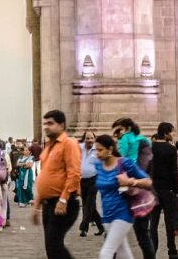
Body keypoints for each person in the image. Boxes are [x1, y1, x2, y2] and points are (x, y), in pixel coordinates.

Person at [92, 133, 152, 259]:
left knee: (106, 252)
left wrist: (131, 182)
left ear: (110, 149)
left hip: (123, 213)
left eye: (100, 150)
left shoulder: (125, 163)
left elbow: (149, 182)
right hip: (107, 215)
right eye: (95, 150)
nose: (97, 153)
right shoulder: (98, 166)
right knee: (122, 252)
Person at [32, 109, 81, 259]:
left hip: (63, 203)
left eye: (50, 123)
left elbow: (74, 173)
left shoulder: (69, 144)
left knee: (54, 245)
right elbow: (45, 176)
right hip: (49, 204)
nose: (46, 126)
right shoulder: (48, 147)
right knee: (51, 248)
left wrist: (63, 199)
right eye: (45, 123)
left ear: (62, 125)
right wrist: (37, 206)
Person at [144, 122, 178, 259]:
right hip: (167, 190)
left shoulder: (149, 148)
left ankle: (152, 252)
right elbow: (174, 172)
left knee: (153, 223)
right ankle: (172, 252)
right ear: (166, 133)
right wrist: (176, 190)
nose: (173, 135)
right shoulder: (171, 149)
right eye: (172, 132)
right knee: (169, 222)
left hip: (153, 190)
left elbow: (146, 169)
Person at [79, 131, 105, 238]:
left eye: (91, 138)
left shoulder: (98, 150)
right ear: (84, 139)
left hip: (94, 180)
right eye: (87, 138)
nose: (89, 140)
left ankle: (84, 228)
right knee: (89, 205)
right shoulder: (80, 148)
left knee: (88, 203)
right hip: (82, 180)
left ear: (94, 139)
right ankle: (101, 226)